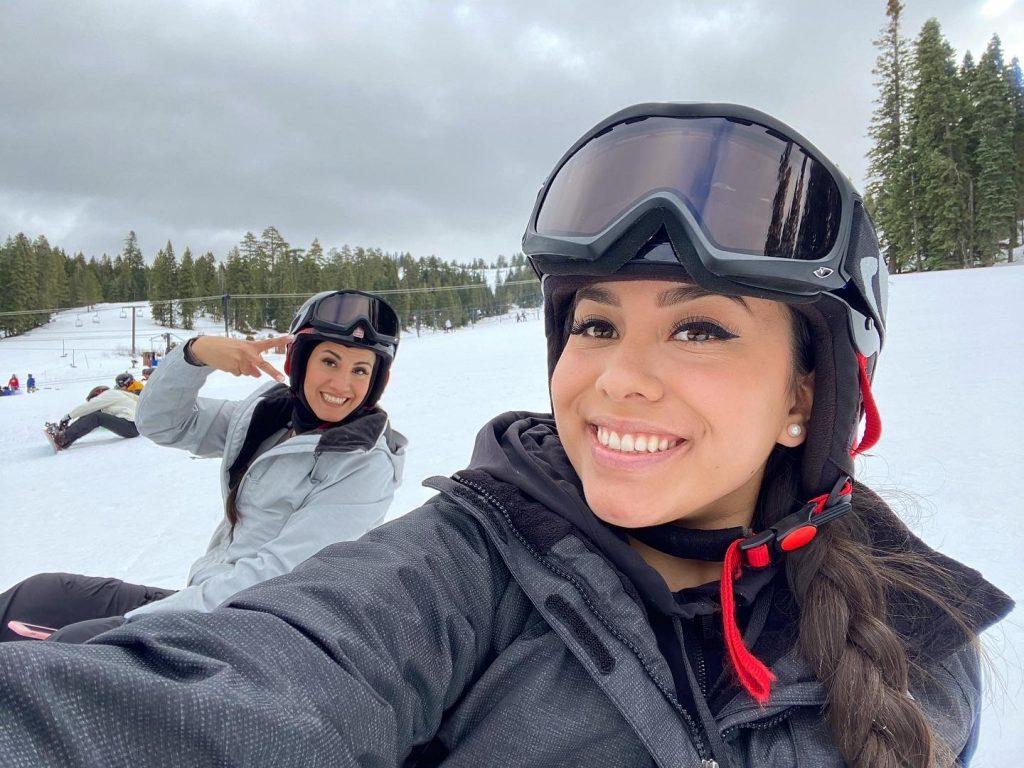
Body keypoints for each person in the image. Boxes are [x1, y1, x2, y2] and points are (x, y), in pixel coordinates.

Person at [0, 105, 1013, 767]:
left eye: (699, 328)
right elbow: (259, 687)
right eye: (595, 323)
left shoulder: (921, 649)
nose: (617, 378)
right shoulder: (465, 560)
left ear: (809, 393)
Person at [1, 289, 406, 644]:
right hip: (208, 603)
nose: (341, 385)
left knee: (60, 646)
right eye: (330, 362)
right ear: (299, 365)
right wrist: (194, 355)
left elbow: (278, 575)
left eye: (360, 370)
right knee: (35, 597)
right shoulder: (266, 419)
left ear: (375, 382)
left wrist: (130, 626)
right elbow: (162, 421)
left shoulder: (365, 465)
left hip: (257, 634)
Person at [45, 384, 140, 451]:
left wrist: (68, 416)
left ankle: (64, 439)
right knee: (94, 415)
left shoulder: (110, 393)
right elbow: (88, 420)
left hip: (131, 426)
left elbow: (91, 406)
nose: (93, 400)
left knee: (96, 416)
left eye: (93, 398)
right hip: (132, 426)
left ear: (98, 392)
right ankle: (65, 436)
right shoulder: (116, 399)